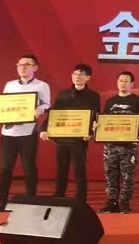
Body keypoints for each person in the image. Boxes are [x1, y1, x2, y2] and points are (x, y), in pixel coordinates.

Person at [0, 54, 51, 212]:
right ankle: (1, 201)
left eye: (27, 64)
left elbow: (47, 104)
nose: (23, 67)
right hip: (8, 133)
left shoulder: (42, 85)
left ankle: (30, 200)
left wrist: (40, 109)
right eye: (20, 65)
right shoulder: (10, 85)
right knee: (5, 169)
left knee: (29, 168)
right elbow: (2, 105)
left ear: (35, 68)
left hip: (28, 132)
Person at [39, 64, 101, 202]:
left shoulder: (93, 96)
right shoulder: (63, 94)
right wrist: (44, 129)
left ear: (88, 78)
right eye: (75, 74)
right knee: (61, 168)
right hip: (62, 137)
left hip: (79, 138)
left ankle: (81, 197)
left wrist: (91, 132)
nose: (77, 77)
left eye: (81, 74)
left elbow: (96, 116)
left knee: (79, 168)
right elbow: (54, 113)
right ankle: (59, 194)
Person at [98, 71, 139, 214]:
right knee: (110, 174)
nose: (122, 83)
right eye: (120, 80)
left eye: (126, 81)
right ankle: (112, 201)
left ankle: (125, 202)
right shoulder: (110, 101)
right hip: (111, 145)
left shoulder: (138, 101)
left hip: (129, 145)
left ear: (132, 84)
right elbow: (105, 120)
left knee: (128, 175)